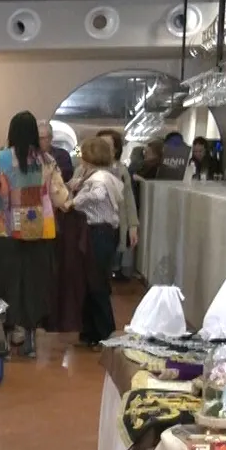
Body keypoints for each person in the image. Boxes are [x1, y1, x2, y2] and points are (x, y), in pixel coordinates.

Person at [0, 111, 60, 358]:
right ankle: (30, 339)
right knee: (33, 284)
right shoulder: (47, 161)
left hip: (6, 231)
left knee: (4, 285)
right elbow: (57, 194)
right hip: (39, 232)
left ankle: (4, 340)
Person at [68, 135, 126, 346]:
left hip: (98, 233)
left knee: (96, 283)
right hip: (97, 233)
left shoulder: (99, 178)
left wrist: (74, 201)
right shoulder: (97, 175)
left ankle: (103, 332)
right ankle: (91, 332)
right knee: (91, 282)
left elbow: (98, 195)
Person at [94, 128, 140, 279]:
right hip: (91, 226)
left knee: (108, 265)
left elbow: (128, 200)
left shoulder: (121, 170)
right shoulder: (85, 169)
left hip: (114, 225)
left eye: (107, 145)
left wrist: (133, 226)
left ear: (115, 149)